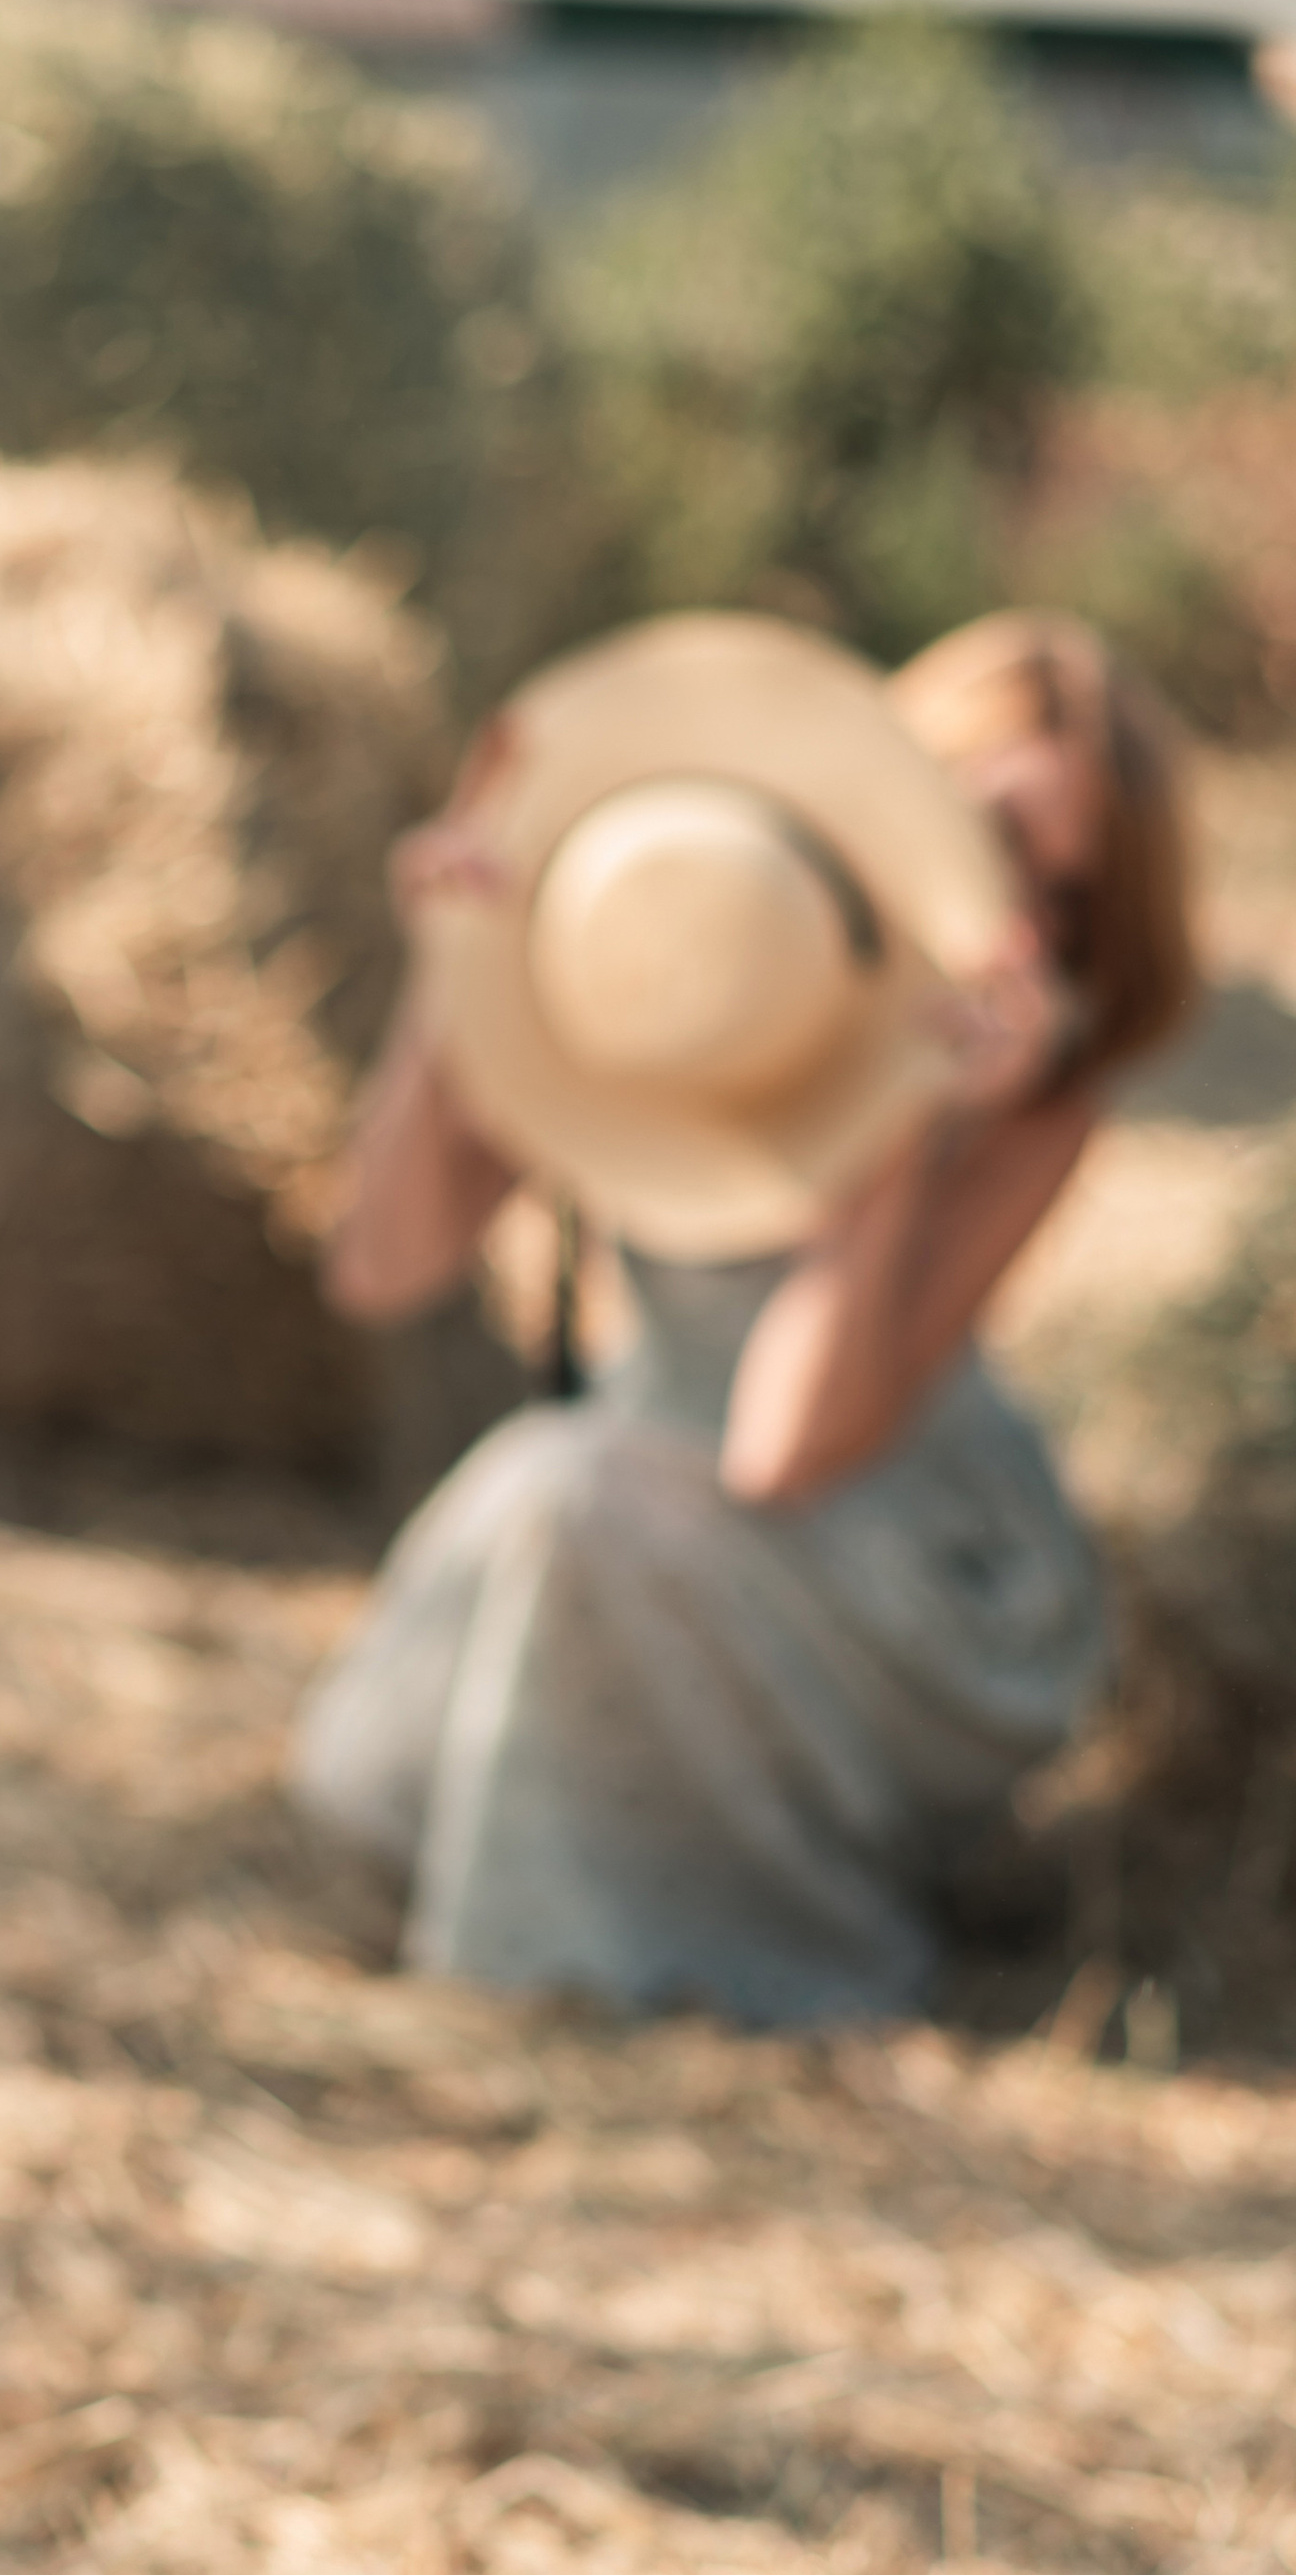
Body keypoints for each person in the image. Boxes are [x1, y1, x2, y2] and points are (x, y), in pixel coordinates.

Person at [292, 609, 1196, 2027]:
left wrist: (887, 1129)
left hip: (889, 1555)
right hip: (638, 1494)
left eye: (1067, 899)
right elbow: (383, 1263)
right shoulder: (674, 957)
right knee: (387, 1742)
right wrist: (458, 972)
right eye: (994, 837)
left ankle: (602, 1953)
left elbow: (785, 1453)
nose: (1017, 918)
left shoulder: (1035, 1107)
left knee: (570, 1500)